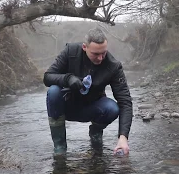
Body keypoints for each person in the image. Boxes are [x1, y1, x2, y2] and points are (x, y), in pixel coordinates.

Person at [43, 27, 133, 155]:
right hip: (65, 107)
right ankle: (60, 146)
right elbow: (47, 77)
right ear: (84, 47)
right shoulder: (70, 51)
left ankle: (95, 133)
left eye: (104, 53)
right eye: (96, 54)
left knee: (112, 108)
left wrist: (123, 138)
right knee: (53, 91)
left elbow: (125, 101)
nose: (100, 58)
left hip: (92, 108)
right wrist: (67, 78)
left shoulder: (113, 66)